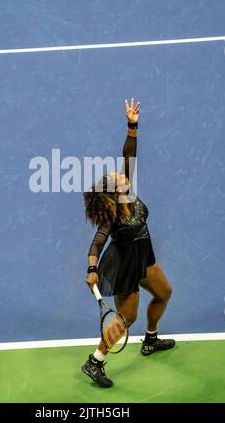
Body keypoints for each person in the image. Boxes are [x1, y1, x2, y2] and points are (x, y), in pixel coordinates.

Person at [81, 98, 175, 388]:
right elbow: (96, 244)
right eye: (116, 178)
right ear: (114, 193)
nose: (119, 175)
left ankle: (150, 341)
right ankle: (94, 361)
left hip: (143, 254)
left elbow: (129, 156)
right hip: (124, 264)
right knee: (126, 318)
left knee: (163, 293)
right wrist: (92, 269)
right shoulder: (111, 218)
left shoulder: (126, 190)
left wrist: (132, 124)